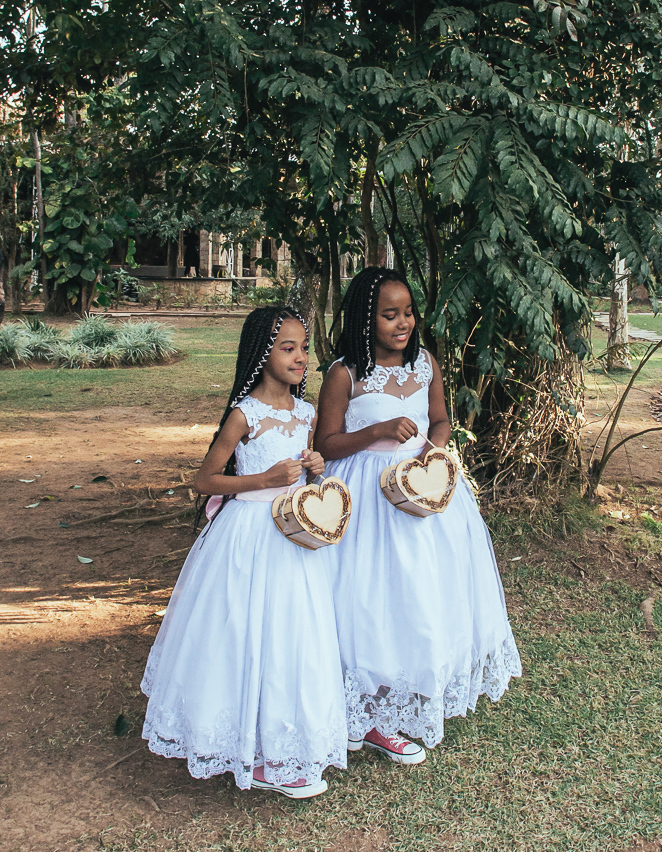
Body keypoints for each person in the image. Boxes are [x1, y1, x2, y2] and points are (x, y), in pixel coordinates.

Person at [315, 267, 521, 765]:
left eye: (408, 313)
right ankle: (369, 708)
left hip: (423, 486)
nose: (403, 323)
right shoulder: (345, 374)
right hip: (366, 495)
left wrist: (434, 452)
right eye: (390, 315)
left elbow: (441, 420)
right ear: (366, 318)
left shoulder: (426, 363)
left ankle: (415, 685)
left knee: (424, 590)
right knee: (372, 596)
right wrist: (377, 431)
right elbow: (326, 443)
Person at [141, 306, 347, 798]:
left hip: (294, 537)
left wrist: (314, 466)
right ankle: (241, 746)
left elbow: (303, 472)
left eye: (304, 348)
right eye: (288, 348)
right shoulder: (244, 414)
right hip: (249, 536)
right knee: (245, 632)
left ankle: (282, 743)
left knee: (291, 634)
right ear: (262, 354)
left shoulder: (305, 412)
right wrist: (262, 479)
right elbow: (204, 480)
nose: (301, 358)